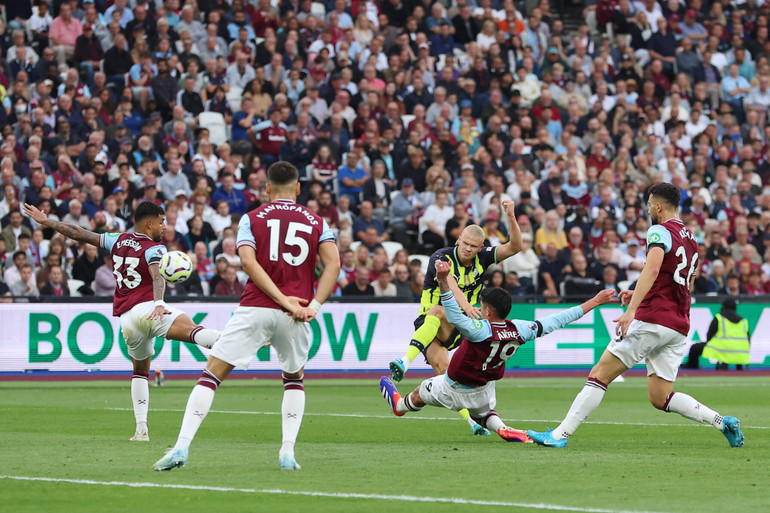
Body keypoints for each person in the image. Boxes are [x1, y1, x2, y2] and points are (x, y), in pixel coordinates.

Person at [153, 161, 340, 472]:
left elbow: (249, 264)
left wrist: (280, 300)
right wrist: (311, 306)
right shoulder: (319, 222)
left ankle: (182, 446)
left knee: (211, 375)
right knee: (294, 379)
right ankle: (287, 453)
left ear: (266, 188)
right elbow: (333, 264)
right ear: (297, 188)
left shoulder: (251, 219)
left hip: (256, 306)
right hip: (297, 312)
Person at [527, 183, 744, 449]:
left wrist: (632, 311)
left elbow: (652, 270)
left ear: (659, 206)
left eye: (650, 205)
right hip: (678, 324)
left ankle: (559, 436)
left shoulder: (659, 230)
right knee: (660, 396)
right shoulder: (691, 238)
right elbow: (686, 285)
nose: (648, 210)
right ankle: (722, 421)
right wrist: (637, 292)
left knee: (599, 374)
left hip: (652, 320)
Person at [24, 201, 220, 442]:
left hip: (128, 319)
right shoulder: (154, 248)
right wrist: (159, 303)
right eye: (161, 221)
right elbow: (158, 277)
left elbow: (78, 233)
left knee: (140, 372)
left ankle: (141, 430)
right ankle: (238, 343)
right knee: (192, 330)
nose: (164, 226)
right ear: (149, 223)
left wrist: (47, 222)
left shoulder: (117, 240)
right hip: (148, 309)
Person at [380, 260, 615, 442]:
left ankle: (399, 406)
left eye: (482, 307)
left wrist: (443, 281)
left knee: (420, 392)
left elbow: (451, 313)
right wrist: (593, 302)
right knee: (481, 414)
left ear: (488, 311)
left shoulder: (478, 330)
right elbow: (557, 319)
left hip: (452, 387)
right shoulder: (520, 329)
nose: (479, 310)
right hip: (484, 390)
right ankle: (502, 427)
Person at [389, 200, 522, 436]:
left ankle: (404, 384)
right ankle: (404, 365)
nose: (468, 249)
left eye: (474, 246)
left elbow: (514, 247)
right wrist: (466, 307)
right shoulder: (442, 256)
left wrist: (511, 216)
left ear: (481, 248)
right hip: (433, 324)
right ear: (458, 238)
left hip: (460, 325)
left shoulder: (483, 258)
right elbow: (448, 282)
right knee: (440, 331)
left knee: (454, 375)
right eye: (465, 243)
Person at [698, 298, 750, 370]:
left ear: (723, 307)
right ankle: (739, 366)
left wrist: (709, 345)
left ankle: (692, 367)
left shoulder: (719, 318)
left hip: (723, 351)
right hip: (741, 352)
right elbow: (748, 340)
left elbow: (709, 335)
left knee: (694, 348)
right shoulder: (744, 321)